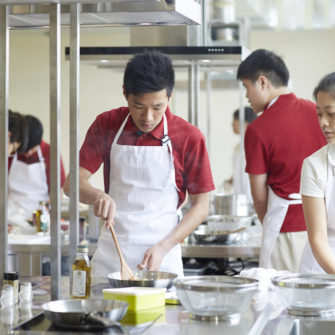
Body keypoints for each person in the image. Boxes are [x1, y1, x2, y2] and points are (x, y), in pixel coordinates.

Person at [64, 51, 215, 277]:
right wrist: (97, 196)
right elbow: (72, 183)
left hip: (162, 259)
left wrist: (164, 247)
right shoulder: (107, 124)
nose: (148, 117)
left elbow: (202, 205)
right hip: (113, 256)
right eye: (138, 106)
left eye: (157, 107)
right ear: (125, 94)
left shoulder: (188, 137)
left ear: (169, 98)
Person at [236, 49, 326, 271]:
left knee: (282, 301)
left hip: (285, 230)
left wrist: (270, 223)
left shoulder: (258, 129)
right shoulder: (318, 114)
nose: (247, 96)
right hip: (324, 228)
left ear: (263, 82)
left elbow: (258, 197)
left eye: (247, 87)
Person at [300, 73, 335, 273]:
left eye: (331, 114)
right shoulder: (315, 165)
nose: (323, 123)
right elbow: (318, 238)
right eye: (319, 114)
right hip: (324, 268)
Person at [8, 114, 66, 224]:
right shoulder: (11, 150)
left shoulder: (50, 152)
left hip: (39, 219)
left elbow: (58, 192)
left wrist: (47, 212)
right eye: (24, 149)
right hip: (10, 216)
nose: (28, 153)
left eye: (32, 150)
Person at [224, 107, 257, 202]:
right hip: (240, 198)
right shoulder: (239, 147)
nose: (232, 124)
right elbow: (241, 170)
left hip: (251, 199)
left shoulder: (254, 145)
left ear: (245, 123)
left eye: (235, 120)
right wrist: (231, 180)